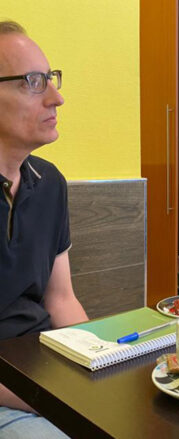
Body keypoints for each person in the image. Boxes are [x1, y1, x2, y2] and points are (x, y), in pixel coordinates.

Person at [0, 21, 88, 438]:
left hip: (43, 377)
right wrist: (52, 398)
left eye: (51, 79)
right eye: (33, 82)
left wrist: (97, 364)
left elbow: (61, 298)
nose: (58, 97)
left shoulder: (49, 182)